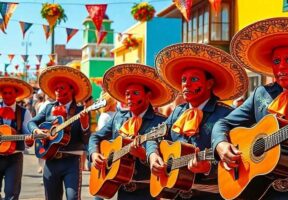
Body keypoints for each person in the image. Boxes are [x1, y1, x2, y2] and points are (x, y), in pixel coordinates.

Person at [212, 17, 288, 199]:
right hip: (262, 191)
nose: (281, 66)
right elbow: (223, 122)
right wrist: (220, 144)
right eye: (276, 62)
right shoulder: (262, 93)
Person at [149, 43, 248, 199]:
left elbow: (242, 156)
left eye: (194, 79)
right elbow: (153, 137)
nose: (186, 84)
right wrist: (153, 155)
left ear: (209, 84)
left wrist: (209, 167)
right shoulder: (177, 112)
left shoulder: (227, 115)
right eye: (183, 80)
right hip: (175, 193)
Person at [88, 63, 176, 200]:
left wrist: (144, 155)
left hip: (148, 191)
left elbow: (168, 158)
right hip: (122, 189)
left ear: (148, 95)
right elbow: (95, 137)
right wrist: (94, 155)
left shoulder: (161, 123)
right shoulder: (118, 118)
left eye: (135, 93)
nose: (129, 97)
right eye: (127, 94)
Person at [27, 65, 92, 200]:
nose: (57, 90)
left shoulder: (81, 111)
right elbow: (31, 123)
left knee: (73, 197)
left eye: (61, 88)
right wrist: (37, 130)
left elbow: (86, 140)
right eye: (56, 88)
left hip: (72, 161)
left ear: (71, 90)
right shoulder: (48, 108)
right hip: (51, 161)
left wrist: (85, 125)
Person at [0, 76, 34, 200]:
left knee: (12, 194)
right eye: (4, 93)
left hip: (14, 157)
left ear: (16, 94)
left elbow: (28, 132)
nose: (7, 95)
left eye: (10, 93)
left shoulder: (24, 112)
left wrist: (30, 140)